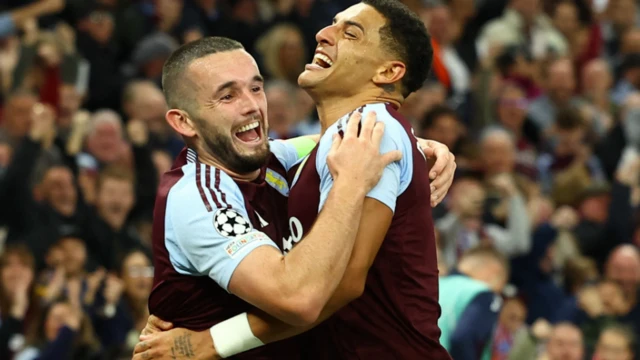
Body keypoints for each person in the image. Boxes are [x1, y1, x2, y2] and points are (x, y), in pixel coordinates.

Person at [134, 1, 454, 359]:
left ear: (387, 71)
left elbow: (344, 281)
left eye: (256, 88)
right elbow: (301, 298)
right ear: (183, 122)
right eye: (227, 96)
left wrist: (414, 144)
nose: (251, 105)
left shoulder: (348, 140)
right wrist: (361, 174)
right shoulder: (199, 194)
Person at [438, 247, 509, 360]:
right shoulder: (483, 294)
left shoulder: (434, 285)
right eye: (502, 283)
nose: (498, 292)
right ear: (494, 271)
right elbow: (463, 338)